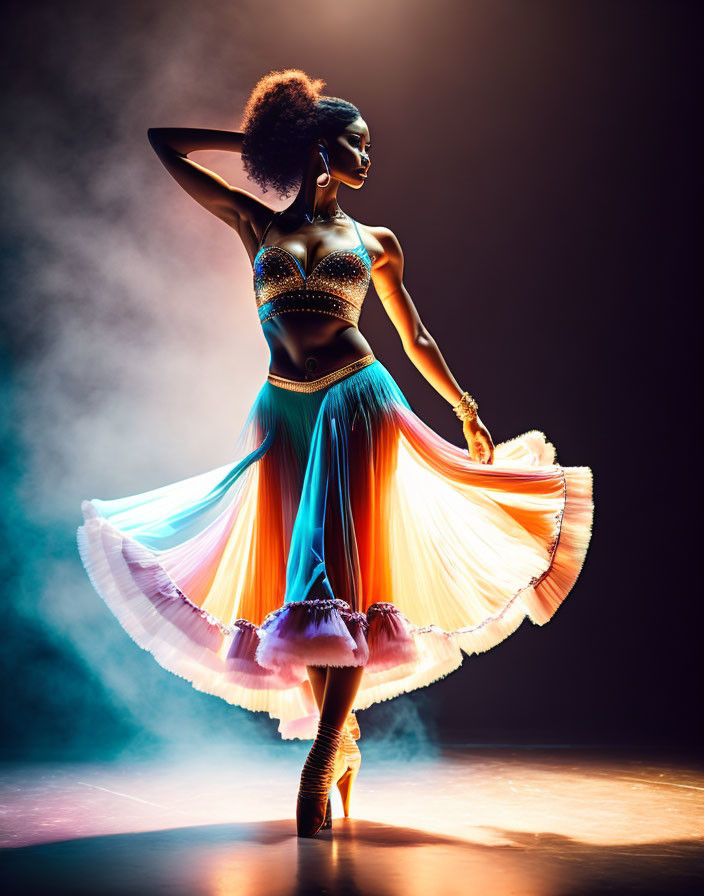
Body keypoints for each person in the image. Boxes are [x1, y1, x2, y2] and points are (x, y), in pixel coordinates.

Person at [76, 69, 594, 837]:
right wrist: (258, 144)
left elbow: (413, 334)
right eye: (357, 142)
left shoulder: (374, 242)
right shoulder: (257, 224)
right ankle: (341, 738)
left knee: (339, 576)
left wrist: (464, 407)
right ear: (318, 146)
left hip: (357, 402)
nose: (368, 156)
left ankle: (321, 755)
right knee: (302, 588)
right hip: (283, 412)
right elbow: (166, 146)